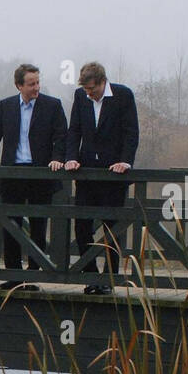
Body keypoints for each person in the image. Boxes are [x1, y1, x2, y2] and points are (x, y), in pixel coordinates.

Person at [0, 63, 67, 290]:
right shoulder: (6, 106)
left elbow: (61, 137)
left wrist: (58, 158)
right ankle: (13, 274)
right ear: (19, 85)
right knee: (11, 223)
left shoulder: (53, 106)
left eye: (38, 82)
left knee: (39, 225)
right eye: (31, 84)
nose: (36, 87)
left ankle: (32, 275)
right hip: (12, 173)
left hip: (41, 174)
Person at [64, 62, 139, 294]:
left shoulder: (123, 95)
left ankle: (109, 278)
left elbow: (131, 131)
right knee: (82, 226)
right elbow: (74, 130)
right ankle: (90, 275)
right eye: (86, 90)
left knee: (112, 228)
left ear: (102, 81)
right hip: (86, 173)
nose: (89, 94)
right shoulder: (80, 96)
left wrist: (125, 161)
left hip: (113, 174)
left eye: (92, 90)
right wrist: (71, 157)